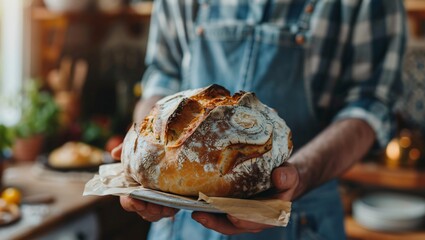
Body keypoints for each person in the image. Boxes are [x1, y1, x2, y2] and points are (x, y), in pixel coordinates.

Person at [111, 0, 406, 239]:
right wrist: (142, 152)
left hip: (300, 220)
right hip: (179, 223)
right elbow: (162, 77)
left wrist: (299, 175)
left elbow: (370, 107)